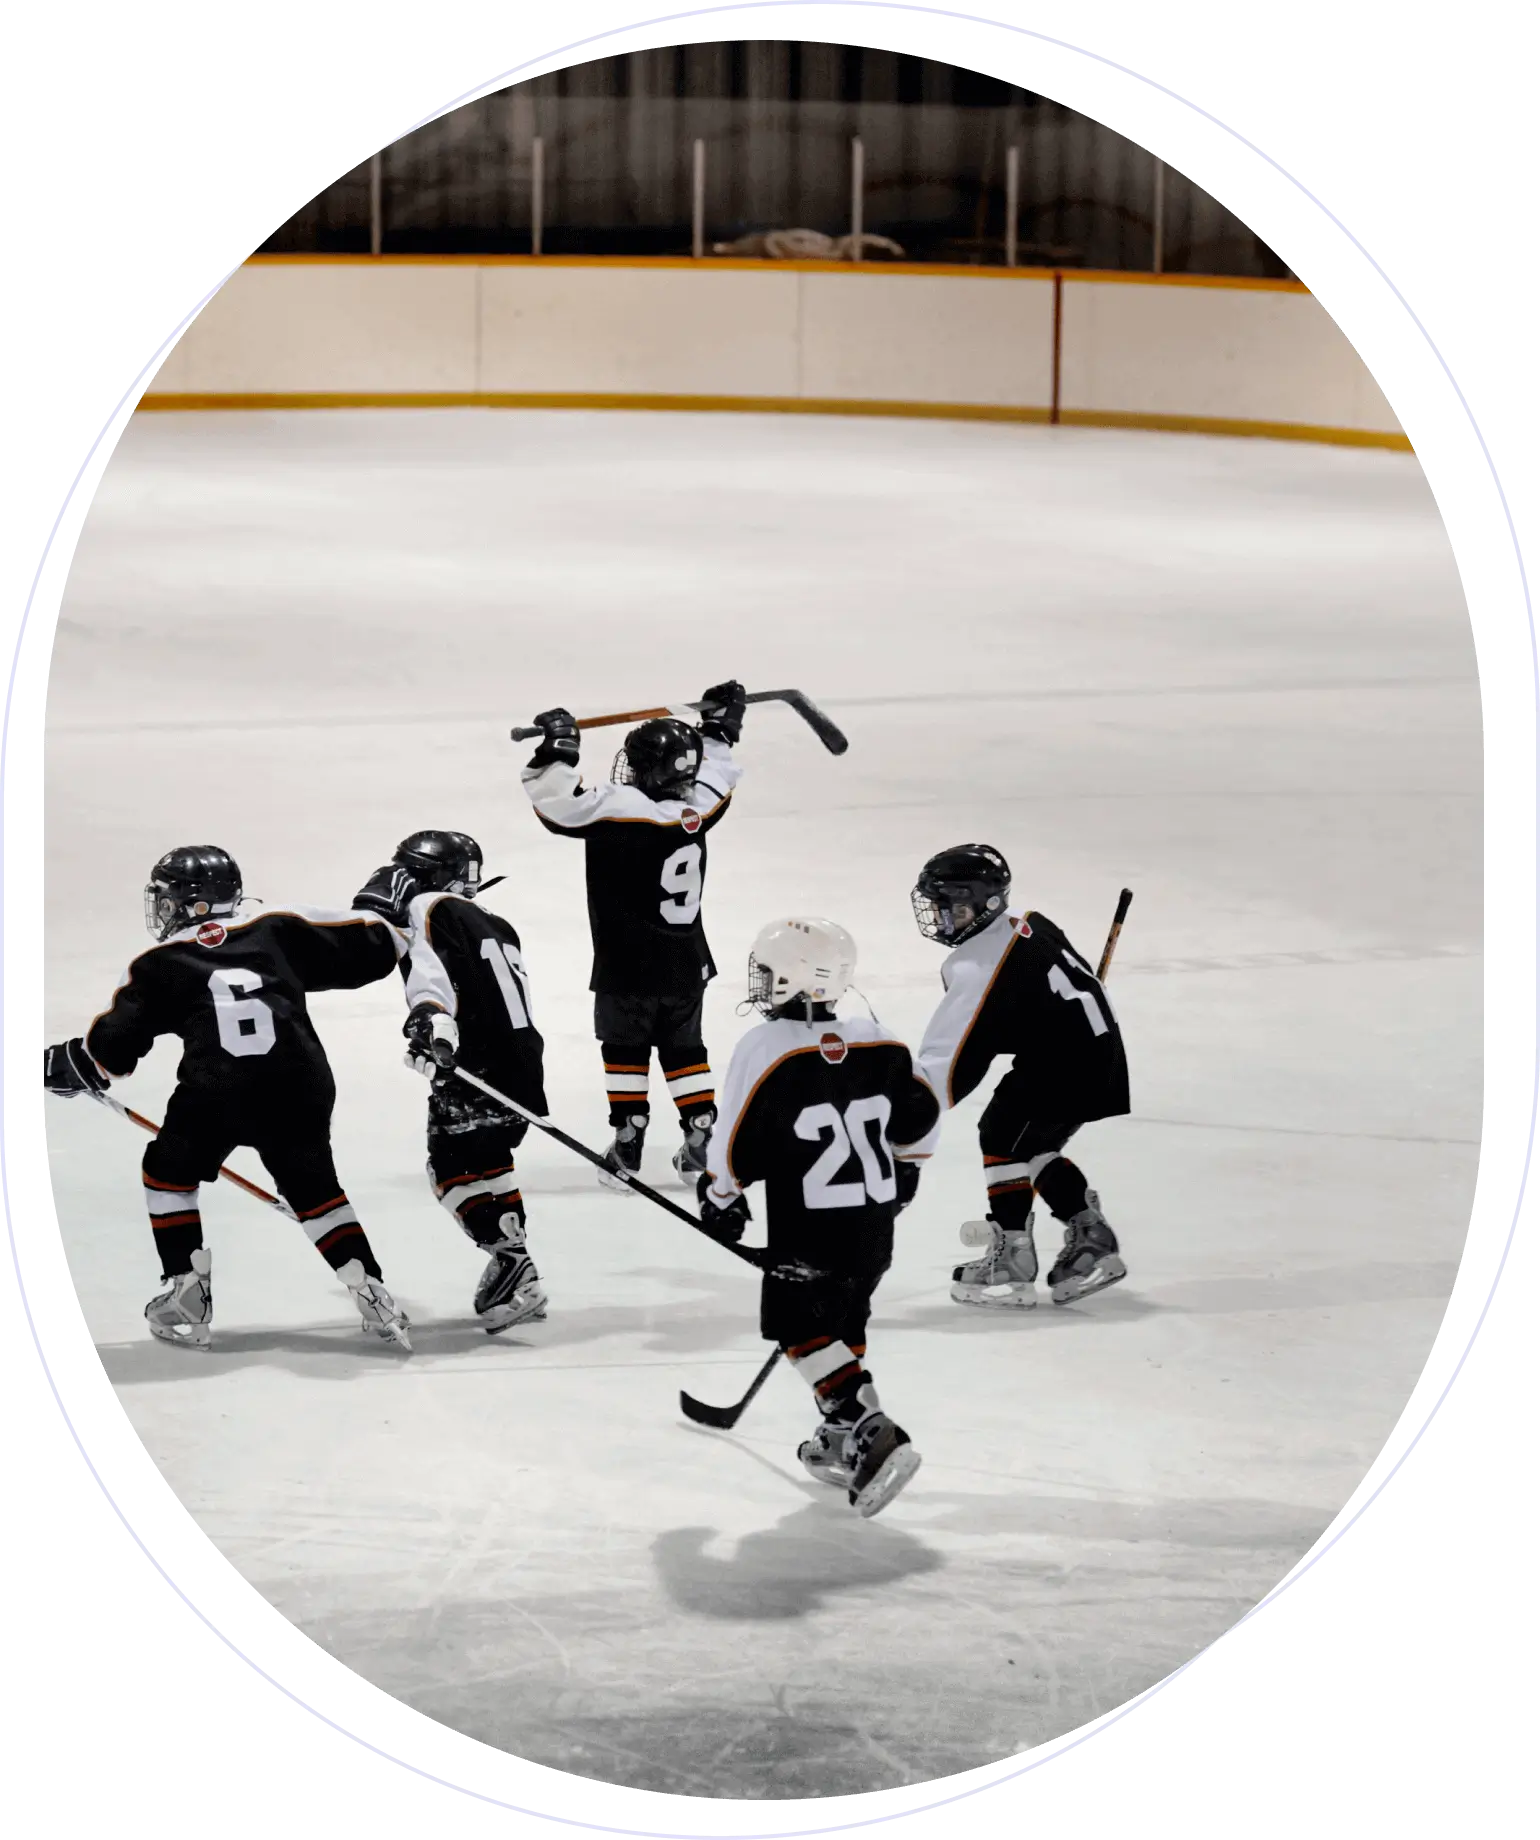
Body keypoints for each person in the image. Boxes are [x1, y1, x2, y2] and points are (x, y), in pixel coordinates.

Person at [39, 846, 411, 1350]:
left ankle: (186, 1291)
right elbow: (375, 949)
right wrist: (387, 911)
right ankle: (373, 1292)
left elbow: (106, 1056)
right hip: (302, 1084)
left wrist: (55, 1066)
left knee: (166, 1172)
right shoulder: (276, 930)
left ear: (186, 905)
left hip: (219, 1091)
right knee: (315, 1188)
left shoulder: (160, 964)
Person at [698, 917, 941, 1518]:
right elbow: (922, 1115)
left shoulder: (767, 1047)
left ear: (789, 978)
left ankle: (868, 1426)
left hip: (807, 1227)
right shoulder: (880, 1038)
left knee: (799, 1331)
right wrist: (906, 1169)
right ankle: (839, 1441)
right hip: (873, 1224)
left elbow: (734, 1141)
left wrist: (720, 1196)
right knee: (839, 1327)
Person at [520, 683, 745, 1190]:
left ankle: (628, 1137)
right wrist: (721, 728)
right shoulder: (698, 810)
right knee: (685, 1050)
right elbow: (717, 770)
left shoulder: (619, 808)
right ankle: (701, 1131)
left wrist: (560, 745)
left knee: (625, 1048)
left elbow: (558, 801)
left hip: (628, 964)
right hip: (688, 961)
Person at [911, 844, 1130, 1308]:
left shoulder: (978, 965)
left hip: (1066, 1060)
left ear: (982, 901)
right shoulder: (1026, 924)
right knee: (1012, 1135)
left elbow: (953, 1059)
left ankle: (1044, 1248)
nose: (940, 915)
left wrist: (905, 1107)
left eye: (949, 903)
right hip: (1087, 1048)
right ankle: (1070, 1238)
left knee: (1011, 1138)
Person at [352, 831, 550, 1333]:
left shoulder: (426, 907)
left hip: (476, 1066)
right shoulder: (497, 924)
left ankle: (512, 1264)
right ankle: (521, 1277)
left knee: (449, 1170)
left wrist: (431, 1025)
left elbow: (432, 977)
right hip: (524, 1065)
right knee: (493, 1162)